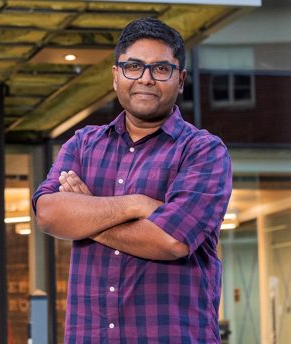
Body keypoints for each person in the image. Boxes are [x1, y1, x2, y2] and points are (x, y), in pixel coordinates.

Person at [32, 17, 232, 344]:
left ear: (180, 80)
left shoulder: (204, 152)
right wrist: (136, 205)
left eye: (161, 69)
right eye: (134, 66)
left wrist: (85, 216)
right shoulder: (83, 144)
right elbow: (49, 213)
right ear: (115, 76)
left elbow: (171, 241)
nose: (146, 79)